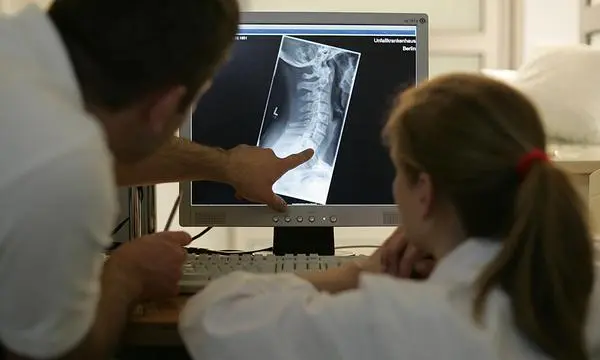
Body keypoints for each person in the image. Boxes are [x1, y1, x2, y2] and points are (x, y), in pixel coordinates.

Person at [179, 73, 600, 360]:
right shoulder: (585, 293)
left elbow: (208, 318)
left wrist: (356, 274)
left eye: (397, 170)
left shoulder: (397, 317)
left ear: (425, 192)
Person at [0, 0, 312, 359]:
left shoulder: (17, 49)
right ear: (165, 108)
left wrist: (227, 166)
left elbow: (109, 140)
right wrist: (125, 276)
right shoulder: (66, 161)